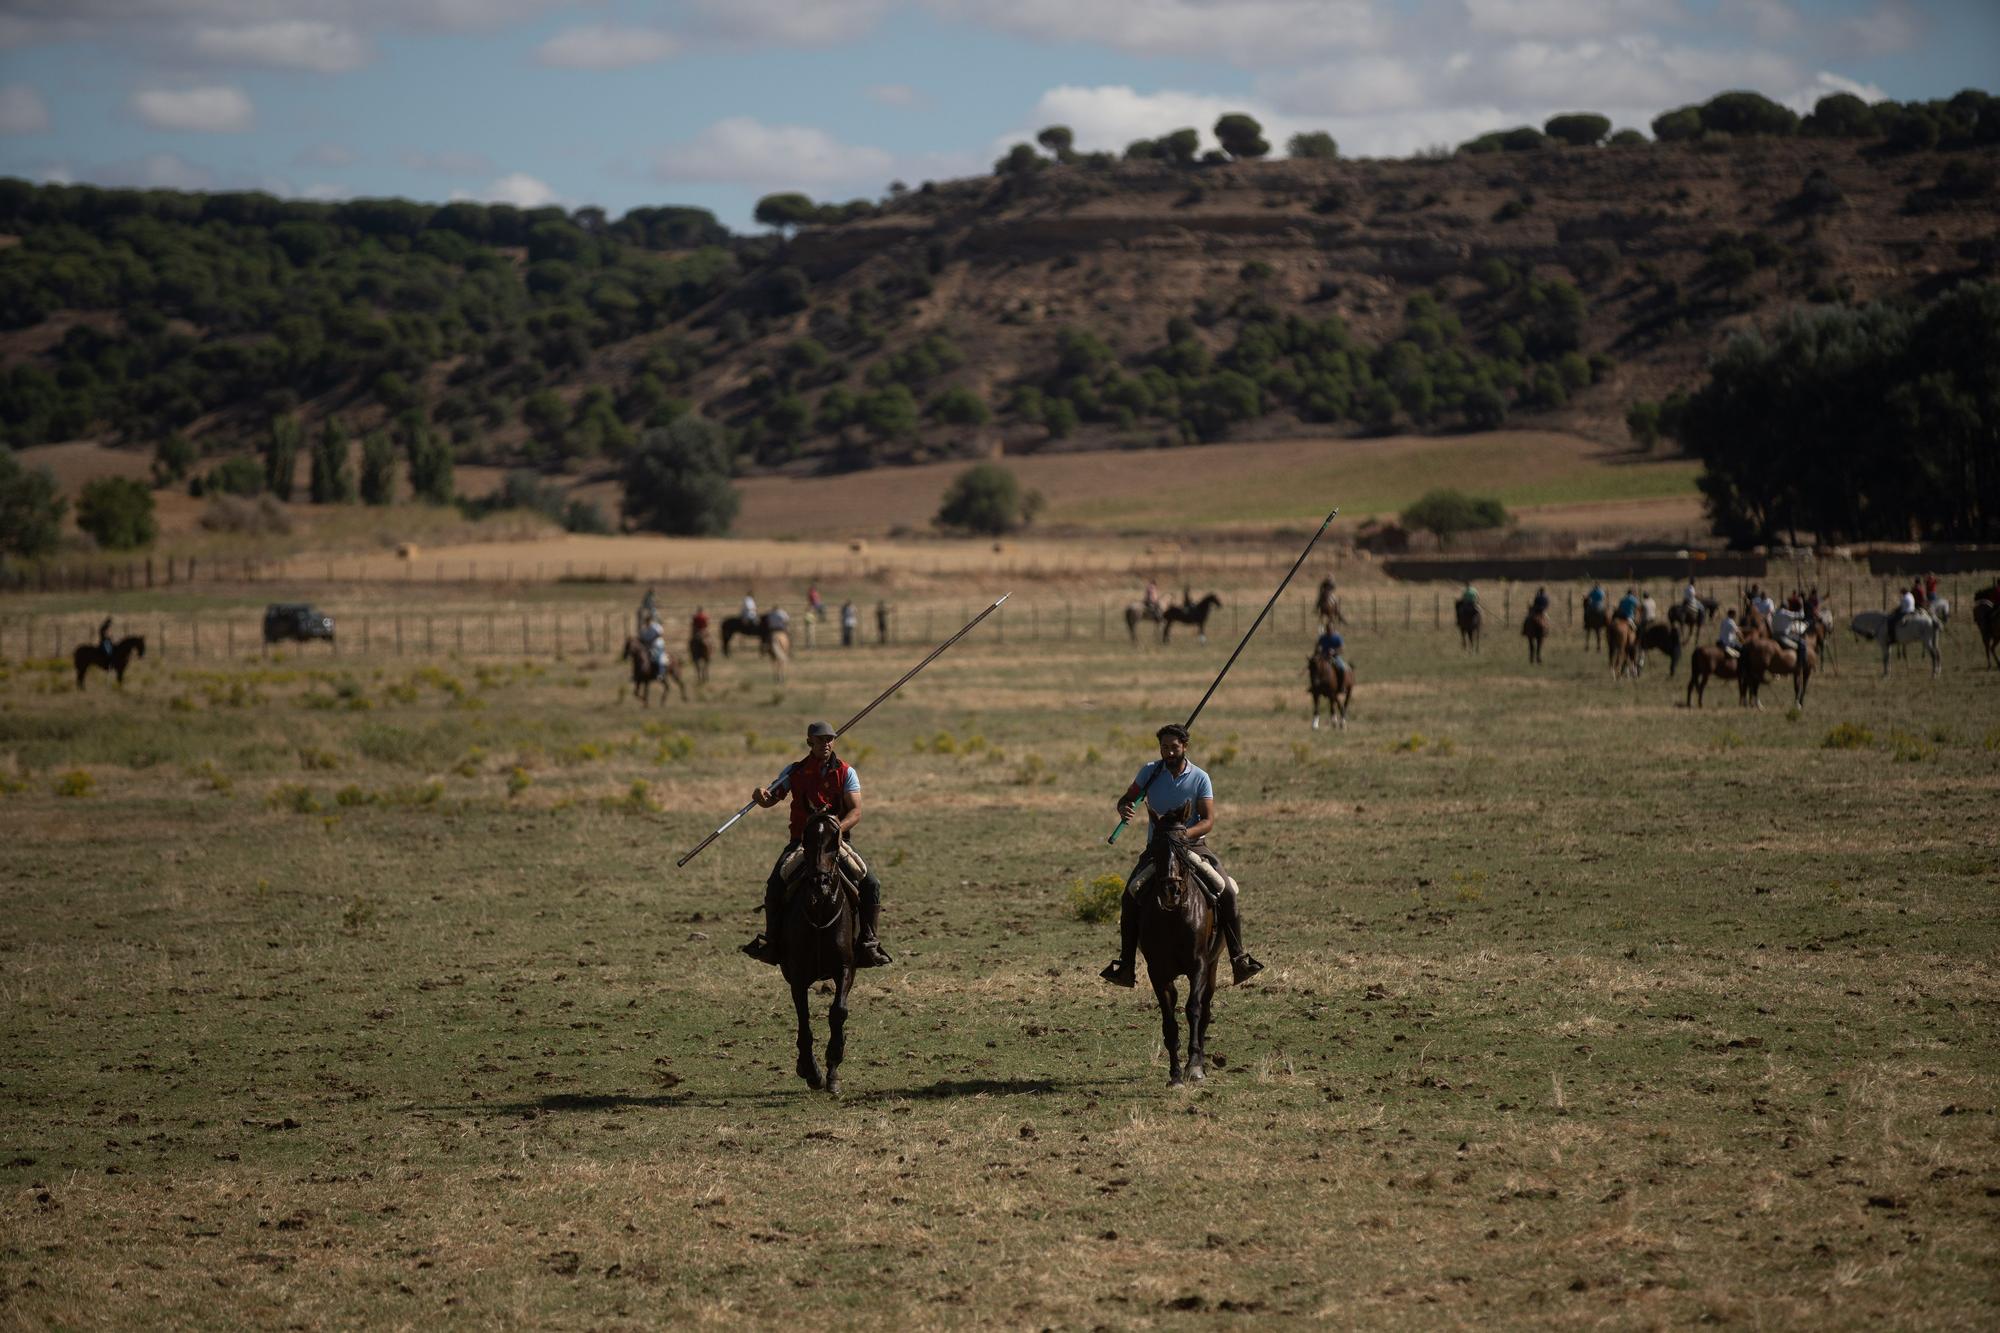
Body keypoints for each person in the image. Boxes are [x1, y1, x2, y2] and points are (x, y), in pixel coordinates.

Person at [1099, 724, 1263, 989]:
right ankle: (1125, 964)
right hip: (1157, 850)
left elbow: (1208, 821)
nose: (1169, 752)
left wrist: (1182, 835)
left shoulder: (1200, 777)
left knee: (1227, 891)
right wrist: (1124, 807)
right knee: (1129, 895)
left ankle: (1239, 958)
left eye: (1174, 747)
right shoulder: (1150, 772)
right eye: (1165, 747)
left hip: (1193, 847)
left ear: (1185, 746)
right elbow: (1127, 798)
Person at [742, 721, 892, 968]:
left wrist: (835, 832)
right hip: (801, 844)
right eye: (820, 739)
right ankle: (772, 942)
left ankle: (869, 942)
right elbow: (770, 799)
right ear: (809, 742)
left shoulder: (846, 772)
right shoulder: (794, 772)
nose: (826, 743)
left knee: (871, 882)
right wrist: (759, 795)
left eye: (830, 739)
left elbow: (855, 812)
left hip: (836, 843)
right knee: (775, 884)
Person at [637, 610, 666, 677]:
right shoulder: (645, 629)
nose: (647, 622)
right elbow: (643, 637)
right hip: (648, 646)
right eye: (646, 621)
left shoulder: (656, 627)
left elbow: (660, 634)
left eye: (648, 621)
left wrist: (652, 639)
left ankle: (661, 672)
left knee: (659, 658)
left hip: (657, 645)